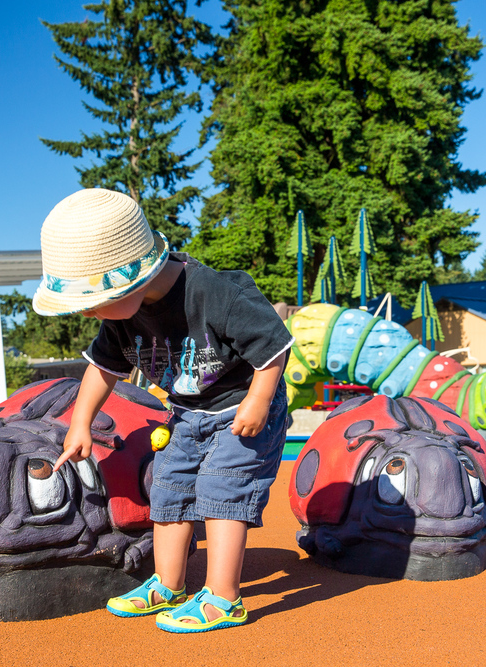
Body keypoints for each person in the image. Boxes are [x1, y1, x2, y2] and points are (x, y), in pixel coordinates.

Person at [32, 188, 293, 633]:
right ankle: (168, 584)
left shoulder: (213, 292)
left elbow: (273, 346)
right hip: (188, 413)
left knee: (222, 487)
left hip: (243, 407)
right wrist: (80, 423)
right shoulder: (119, 317)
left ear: (134, 279)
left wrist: (259, 400)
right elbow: (101, 369)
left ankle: (225, 598)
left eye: (95, 301)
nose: (93, 313)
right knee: (170, 486)